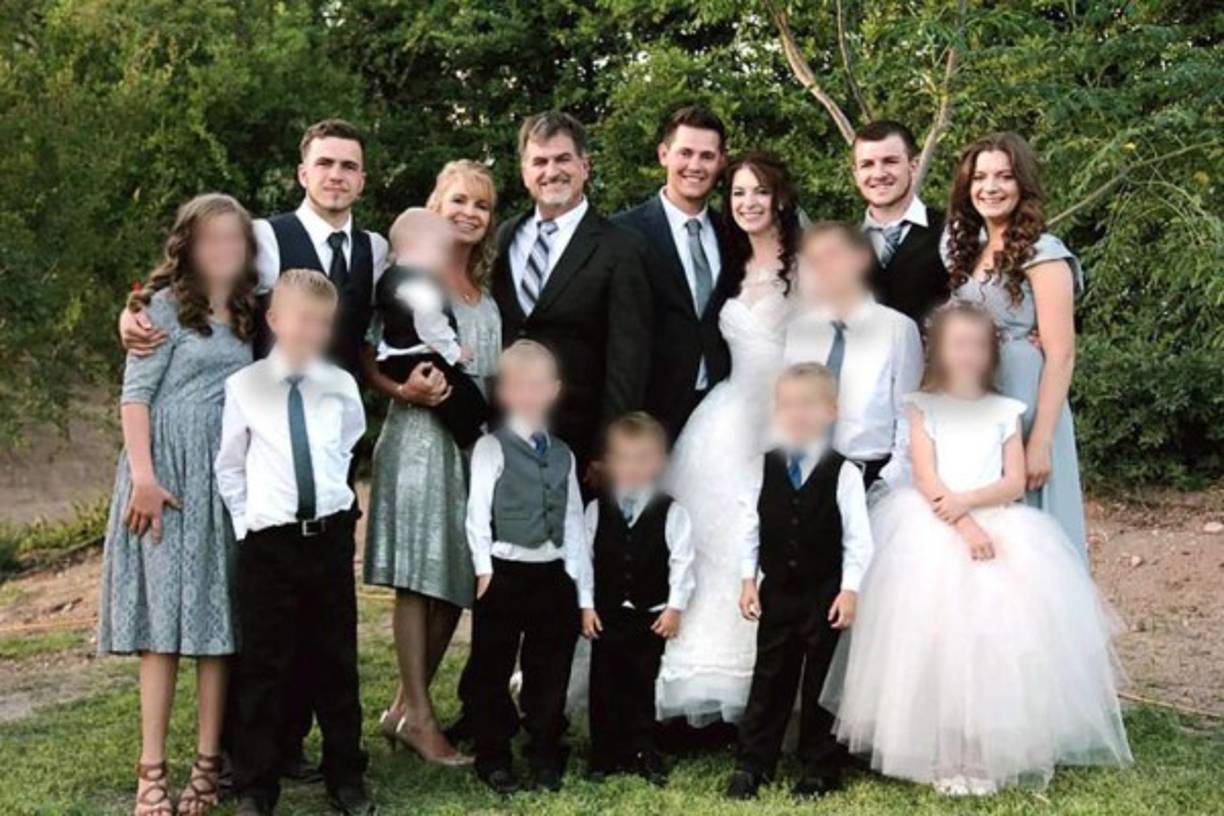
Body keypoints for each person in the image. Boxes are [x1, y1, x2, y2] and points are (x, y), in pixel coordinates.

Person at [119, 118, 395, 781]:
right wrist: (133, 309)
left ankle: (293, 747)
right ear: (303, 172)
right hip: (253, 443)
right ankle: (246, 752)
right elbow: (202, 277)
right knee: (258, 615)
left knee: (316, 621)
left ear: (362, 178)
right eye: (325, 163)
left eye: (349, 166)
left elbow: (370, 335)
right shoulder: (267, 237)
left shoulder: (375, 249)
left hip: (324, 449)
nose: (336, 175)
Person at [820, 302, 1131, 794]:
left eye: (978, 345)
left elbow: (1013, 482)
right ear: (939, 351)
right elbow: (925, 478)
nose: (967, 354)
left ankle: (984, 756)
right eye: (957, 344)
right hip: (932, 530)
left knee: (990, 646)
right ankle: (946, 757)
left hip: (998, 528)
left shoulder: (1006, 412)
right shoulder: (923, 408)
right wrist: (963, 523)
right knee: (937, 646)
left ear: (991, 353)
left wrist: (970, 504)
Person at [97, 194, 258, 816]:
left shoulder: (250, 312)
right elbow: (134, 396)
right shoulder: (160, 309)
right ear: (187, 245)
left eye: (233, 238)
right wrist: (143, 476)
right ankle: (151, 773)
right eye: (210, 238)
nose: (223, 249)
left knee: (217, 629)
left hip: (223, 480)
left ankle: (207, 767)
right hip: (163, 475)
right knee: (161, 631)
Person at [214, 269, 373, 816]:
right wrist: (248, 524)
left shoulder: (340, 385)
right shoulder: (245, 386)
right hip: (270, 546)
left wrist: (337, 510)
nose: (311, 331)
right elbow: (230, 466)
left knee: (336, 662)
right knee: (264, 667)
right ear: (276, 319)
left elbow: (347, 444)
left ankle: (346, 776)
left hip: (327, 540)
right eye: (302, 320)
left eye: (322, 323)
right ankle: (257, 786)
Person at [362, 161, 499, 766]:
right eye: (458, 200)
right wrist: (402, 390)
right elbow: (366, 353)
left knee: (458, 579)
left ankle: (402, 709)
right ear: (435, 206)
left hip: (475, 442)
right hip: (420, 437)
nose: (469, 213)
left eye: (482, 205)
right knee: (420, 578)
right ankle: (419, 716)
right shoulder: (406, 277)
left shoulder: (487, 287)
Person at [657, 151, 800, 730]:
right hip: (719, 422)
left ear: (780, 198)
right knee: (708, 543)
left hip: (780, 419)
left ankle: (763, 686)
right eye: (738, 193)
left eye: (759, 191)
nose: (748, 203)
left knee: (761, 541)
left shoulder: (806, 264)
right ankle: (698, 682)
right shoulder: (727, 259)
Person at [725, 364, 873, 801]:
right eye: (788, 405)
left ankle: (819, 766)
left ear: (830, 411)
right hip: (777, 592)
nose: (798, 414)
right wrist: (747, 580)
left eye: (809, 405)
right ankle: (753, 762)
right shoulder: (761, 466)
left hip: (824, 592)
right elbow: (749, 528)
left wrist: (850, 590)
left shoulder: (844, 473)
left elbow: (858, 539)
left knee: (821, 683)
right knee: (770, 675)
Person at [942, 132, 1088, 553]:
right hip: (976, 404)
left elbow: (1061, 354)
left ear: (1022, 183)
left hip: (1025, 401)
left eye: (1004, 176)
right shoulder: (969, 251)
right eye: (980, 177)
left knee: (1030, 537)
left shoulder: (1044, 253)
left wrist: (1040, 442)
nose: (990, 187)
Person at [490, 111, 652, 481]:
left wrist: (609, 446)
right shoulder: (504, 236)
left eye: (563, 159)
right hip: (504, 433)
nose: (552, 171)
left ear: (585, 166)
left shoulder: (621, 247)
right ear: (525, 171)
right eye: (540, 162)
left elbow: (629, 359)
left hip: (579, 441)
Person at [463, 340, 585, 794]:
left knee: (548, 667)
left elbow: (573, 518)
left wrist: (575, 575)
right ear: (504, 392)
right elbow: (477, 513)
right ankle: (492, 753)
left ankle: (545, 749)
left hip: (552, 573)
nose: (529, 395)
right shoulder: (491, 448)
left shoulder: (564, 453)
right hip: (504, 571)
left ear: (553, 391)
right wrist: (483, 568)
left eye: (538, 386)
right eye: (519, 387)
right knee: (492, 665)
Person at [577, 412, 695, 785]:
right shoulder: (595, 509)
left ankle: (643, 750)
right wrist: (586, 605)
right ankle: (604, 753)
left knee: (642, 683)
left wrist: (675, 607)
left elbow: (682, 562)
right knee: (604, 683)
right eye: (624, 459)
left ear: (659, 463)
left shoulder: (672, 512)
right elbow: (584, 561)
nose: (632, 468)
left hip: (650, 614)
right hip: (607, 613)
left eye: (642, 459)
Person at [613, 105, 733, 442]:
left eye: (707, 156)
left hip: (721, 415)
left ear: (721, 161)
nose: (695, 165)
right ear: (664, 154)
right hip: (648, 418)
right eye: (685, 153)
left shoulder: (733, 234)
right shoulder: (623, 234)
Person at [785, 222, 923, 489]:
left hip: (870, 475)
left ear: (860, 258)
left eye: (832, 255)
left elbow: (909, 416)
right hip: (806, 474)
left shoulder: (898, 328)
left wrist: (888, 481)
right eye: (814, 261)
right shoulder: (799, 330)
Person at [374, 208, 489, 448]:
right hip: (416, 357)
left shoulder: (391, 276)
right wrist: (454, 352)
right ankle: (474, 442)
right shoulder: (419, 283)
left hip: (398, 357)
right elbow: (429, 324)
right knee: (456, 395)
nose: (446, 258)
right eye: (442, 251)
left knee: (460, 393)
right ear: (421, 248)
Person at [851, 120, 949, 325]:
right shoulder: (845, 245)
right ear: (856, 174)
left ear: (913, 166)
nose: (879, 174)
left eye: (890, 161)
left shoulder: (951, 231)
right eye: (867, 164)